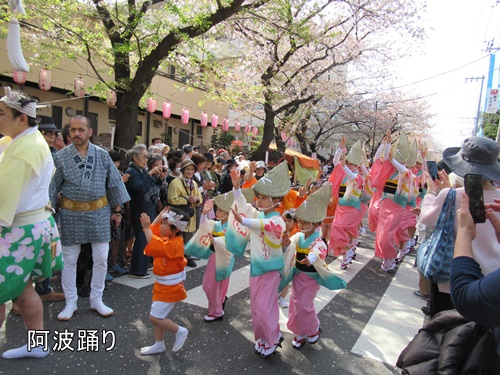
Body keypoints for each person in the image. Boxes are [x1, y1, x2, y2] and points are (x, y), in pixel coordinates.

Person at [0, 87, 63, 359]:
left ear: (21, 119)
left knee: (6, 288)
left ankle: (37, 344)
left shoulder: (24, 149)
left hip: (17, 228)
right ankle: (37, 344)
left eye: (1, 114)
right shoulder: (29, 142)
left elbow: (4, 197)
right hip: (35, 224)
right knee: (25, 288)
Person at [50, 115, 130, 320]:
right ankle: (71, 301)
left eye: (81, 130)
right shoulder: (60, 157)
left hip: (99, 213)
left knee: (101, 258)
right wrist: (48, 212)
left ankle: (97, 299)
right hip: (70, 214)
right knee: (69, 260)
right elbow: (52, 187)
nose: (76, 133)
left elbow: (114, 184)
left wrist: (117, 211)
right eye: (73, 130)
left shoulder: (102, 156)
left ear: (89, 132)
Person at [419, 136, 500, 317]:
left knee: (445, 334)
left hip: (452, 277)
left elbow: (426, 219)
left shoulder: (452, 195)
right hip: (492, 281)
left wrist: (432, 192)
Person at [227, 162, 289, 358]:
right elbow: (244, 207)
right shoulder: (260, 214)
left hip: (271, 270)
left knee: (265, 306)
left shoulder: (277, 220)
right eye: (259, 197)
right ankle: (262, 338)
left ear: (276, 200)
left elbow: (263, 225)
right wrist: (237, 187)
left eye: (264, 198)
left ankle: (273, 337)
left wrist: (243, 221)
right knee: (256, 306)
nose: (259, 201)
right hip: (257, 267)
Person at [284, 185, 346, 349]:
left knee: (305, 304)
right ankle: (299, 333)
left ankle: (313, 330)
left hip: (310, 278)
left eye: (306, 222)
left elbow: (318, 252)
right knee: (296, 302)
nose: (302, 225)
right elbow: (289, 245)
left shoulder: (319, 241)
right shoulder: (298, 236)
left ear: (317, 223)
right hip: (298, 275)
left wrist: (310, 258)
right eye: (301, 221)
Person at [138, 207, 190, 355]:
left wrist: (147, 227)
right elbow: (153, 234)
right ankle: (159, 344)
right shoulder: (169, 238)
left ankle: (179, 330)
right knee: (158, 315)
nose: (161, 226)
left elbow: (156, 245)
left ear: (175, 230)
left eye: (164, 224)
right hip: (162, 285)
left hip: (170, 287)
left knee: (155, 317)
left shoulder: (176, 244)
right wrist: (159, 218)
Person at [125, 145, 167, 278]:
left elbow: (152, 187)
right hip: (139, 208)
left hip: (148, 207)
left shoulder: (140, 170)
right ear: (134, 157)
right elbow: (140, 187)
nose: (145, 159)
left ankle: (142, 266)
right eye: (143, 157)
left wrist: (160, 178)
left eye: (146, 157)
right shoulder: (132, 171)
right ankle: (137, 270)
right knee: (141, 238)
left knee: (146, 237)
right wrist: (150, 174)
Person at [167, 159, 203, 267]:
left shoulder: (194, 183)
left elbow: (200, 197)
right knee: (177, 235)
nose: (190, 171)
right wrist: (186, 200)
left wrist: (196, 198)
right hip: (179, 213)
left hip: (190, 214)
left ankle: (186, 256)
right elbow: (171, 199)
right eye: (188, 169)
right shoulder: (175, 182)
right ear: (183, 170)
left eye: (192, 169)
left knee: (188, 236)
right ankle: (174, 257)